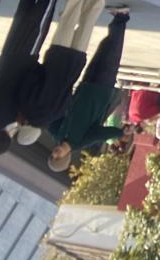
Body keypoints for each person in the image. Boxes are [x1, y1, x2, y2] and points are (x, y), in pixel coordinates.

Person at [12, 0, 116, 148]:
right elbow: (31, 79)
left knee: (85, 30)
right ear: (23, 127)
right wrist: (38, 67)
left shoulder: (54, 115)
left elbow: (69, 97)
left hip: (73, 69)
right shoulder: (27, 106)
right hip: (55, 62)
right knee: (67, 25)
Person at [47, 9, 132, 173]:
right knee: (112, 57)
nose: (55, 154)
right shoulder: (81, 142)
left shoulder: (58, 134)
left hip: (85, 87)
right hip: (101, 93)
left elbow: (49, 120)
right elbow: (100, 134)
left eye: (52, 156)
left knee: (102, 52)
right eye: (57, 157)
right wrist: (120, 132)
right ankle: (122, 18)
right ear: (66, 157)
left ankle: (116, 22)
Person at [0, 0, 61, 153]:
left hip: (24, 64)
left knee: (38, 27)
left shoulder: (13, 117)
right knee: (19, 24)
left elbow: (23, 92)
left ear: (7, 140)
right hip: (5, 61)